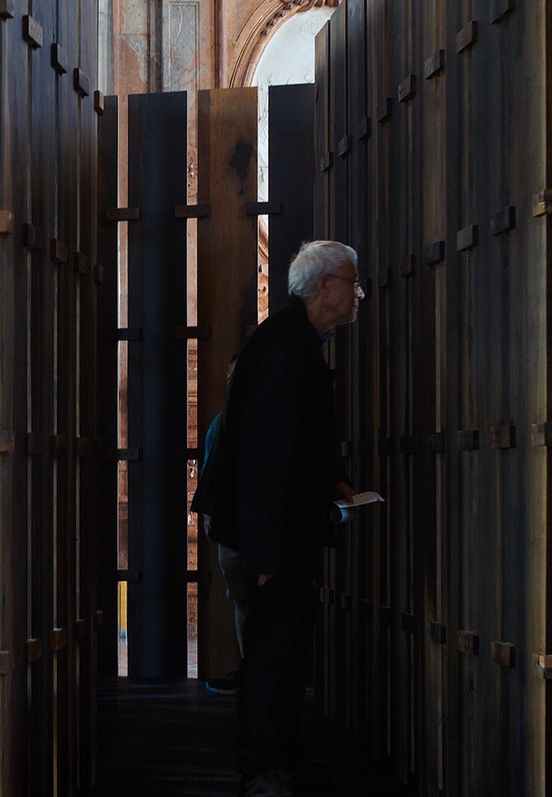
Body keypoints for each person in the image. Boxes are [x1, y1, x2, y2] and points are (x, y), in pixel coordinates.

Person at [191, 240, 362, 797]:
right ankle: (263, 771)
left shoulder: (295, 339)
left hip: (283, 532)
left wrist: (327, 481)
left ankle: (284, 761)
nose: (358, 294)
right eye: (352, 282)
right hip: (273, 539)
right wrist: (264, 553)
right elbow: (263, 459)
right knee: (269, 656)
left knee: (284, 654)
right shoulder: (288, 345)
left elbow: (292, 447)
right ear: (325, 286)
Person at [201, 354, 245, 696]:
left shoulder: (235, 421)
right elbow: (209, 472)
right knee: (243, 600)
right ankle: (251, 668)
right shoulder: (222, 422)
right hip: (232, 521)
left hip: (243, 521)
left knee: (248, 600)